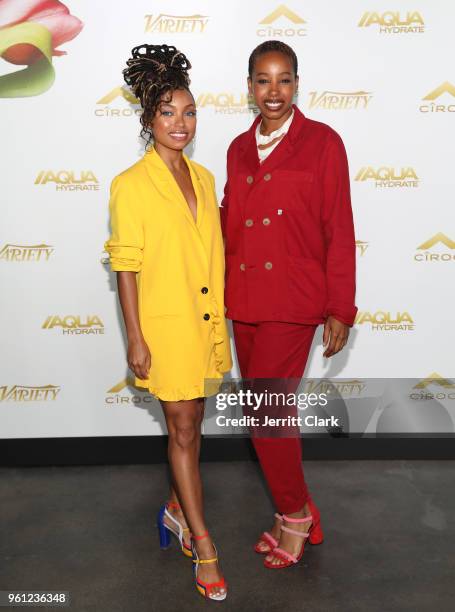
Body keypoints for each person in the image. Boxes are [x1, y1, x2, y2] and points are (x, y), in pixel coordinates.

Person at [221, 40, 357, 569]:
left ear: (297, 84)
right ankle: (293, 512)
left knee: (267, 416)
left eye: (282, 79)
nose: (272, 91)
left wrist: (340, 307)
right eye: (262, 80)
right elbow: (232, 224)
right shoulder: (237, 147)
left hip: (295, 300)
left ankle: (295, 516)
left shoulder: (323, 142)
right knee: (267, 415)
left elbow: (338, 228)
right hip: (244, 298)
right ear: (250, 86)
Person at [104, 44, 232, 600]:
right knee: (182, 427)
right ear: (147, 119)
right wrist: (135, 336)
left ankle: (177, 509)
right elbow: (126, 267)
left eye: (189, 112)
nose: (180, 124)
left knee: (192, 423)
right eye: (167, 113)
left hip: (203, 322)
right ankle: (202, 543)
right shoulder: (130, 184)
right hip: (163, 325)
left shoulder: (204, 178)